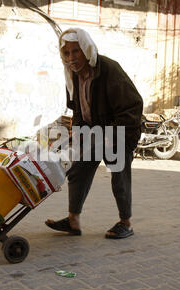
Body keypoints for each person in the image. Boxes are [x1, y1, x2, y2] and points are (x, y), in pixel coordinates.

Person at [45, 28, 143, 239]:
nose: (71, 58)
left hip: (119, 132)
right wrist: (79, 133)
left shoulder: (108, 69)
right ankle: (73, 221)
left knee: (119, 178)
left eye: (76, 51)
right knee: (78, 171)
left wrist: (110, 135)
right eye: (67, 53)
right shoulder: (72, 74)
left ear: (86, 49)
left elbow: (133, 105)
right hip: (93, 133)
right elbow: (78, 108)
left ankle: (126, 222)